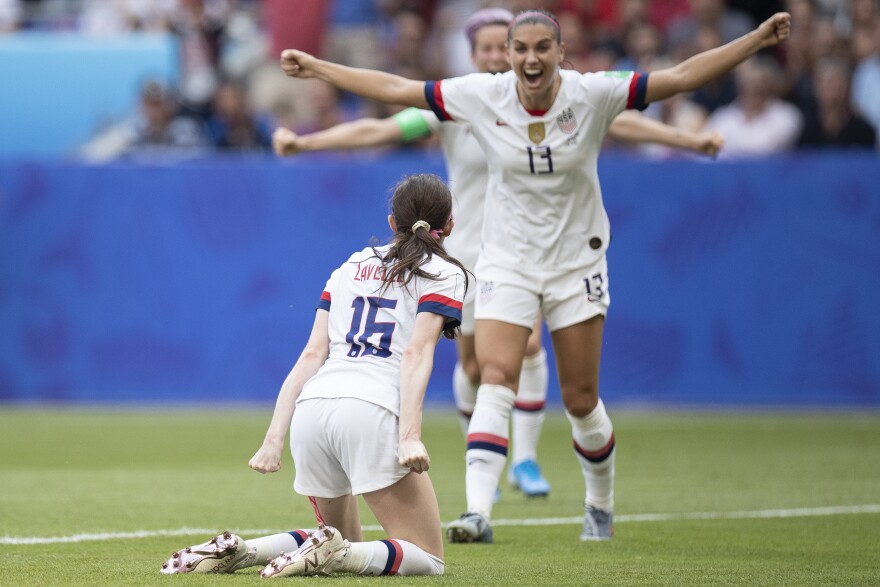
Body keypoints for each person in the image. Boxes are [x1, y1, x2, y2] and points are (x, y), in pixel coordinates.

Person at [277, 8, 791, 543]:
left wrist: (754, 41)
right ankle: (479, 510)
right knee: (494, 373)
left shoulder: (592, 94)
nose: (528, 58)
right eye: (519, 48)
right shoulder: (478, 95)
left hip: (576, 262)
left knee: (580, 399)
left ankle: (599, 502)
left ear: (561, 53)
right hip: (505, 259)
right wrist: (319, 67)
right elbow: (394, 91)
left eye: (541, 47)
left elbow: (679, 78)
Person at [161, 173, 466, 577]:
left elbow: (311, 354)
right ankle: (333, 554)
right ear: (451, 225)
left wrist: (274, 439)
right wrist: (410, 436)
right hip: (370, 411)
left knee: (343, 538)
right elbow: (415, 352)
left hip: (313, 411)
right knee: (427, 557)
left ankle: (247, 550)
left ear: (392, 223)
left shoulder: (351, 265)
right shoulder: (445, 272)